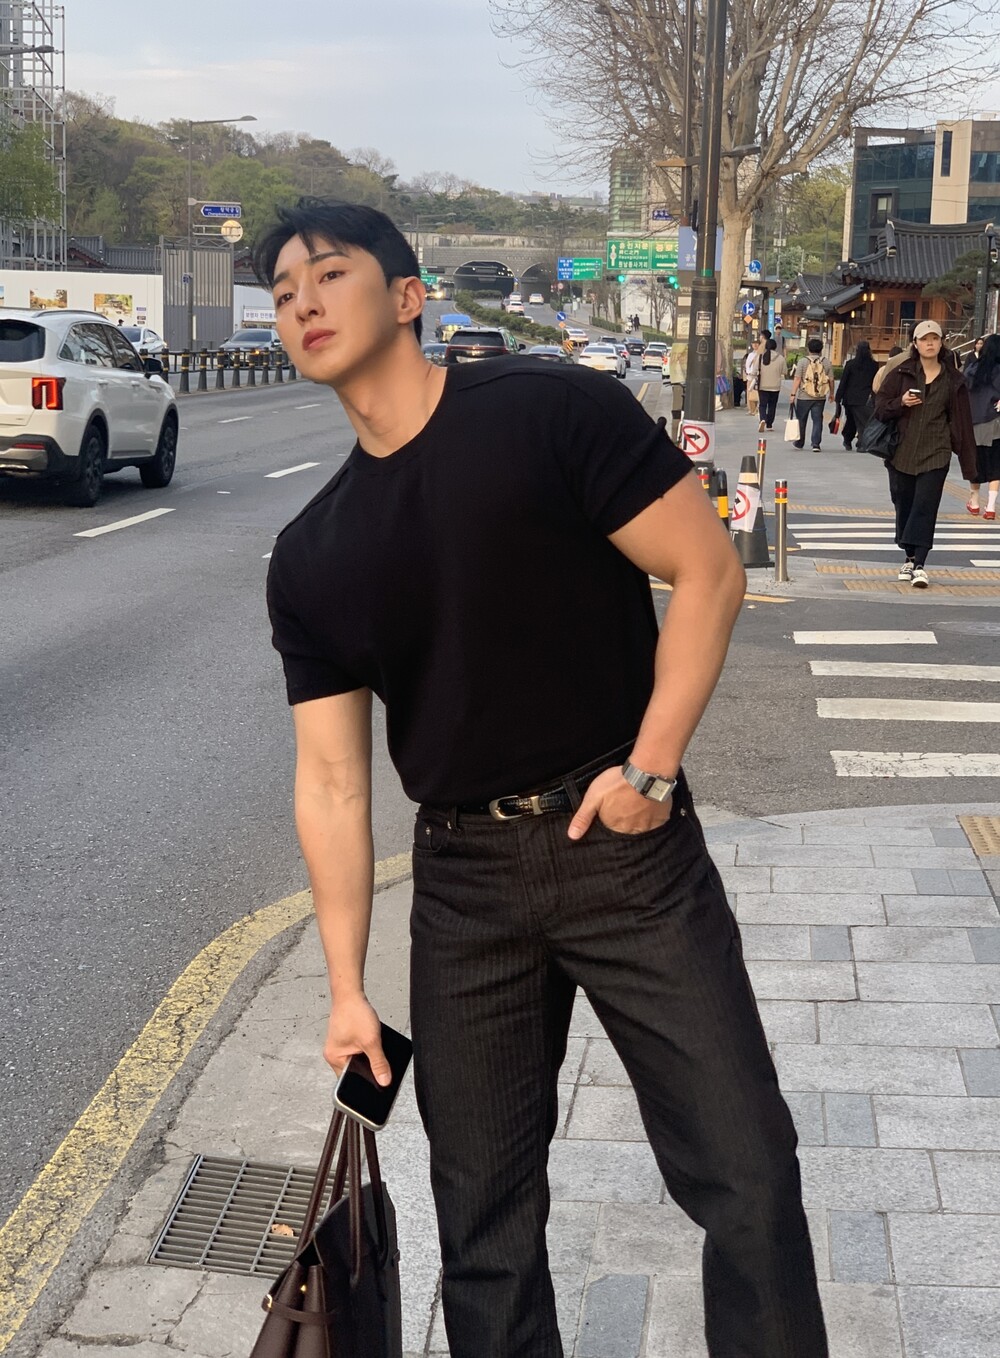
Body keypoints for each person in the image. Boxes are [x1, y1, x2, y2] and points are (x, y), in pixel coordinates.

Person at [256, 199, 828, 1358]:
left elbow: (707, 571)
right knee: (483, 1227)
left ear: (408, 296)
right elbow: (331, 782)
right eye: (281, 292)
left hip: (623, 850)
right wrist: (345, 987)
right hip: (464, 883)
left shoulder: (548, 410)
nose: (303, 302)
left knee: (747, 1172)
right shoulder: (312, 552)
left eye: (329, 274)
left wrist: (649, 771)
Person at [874, 319, 977, 588]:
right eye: (924, 339)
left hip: (936, 452)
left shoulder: (954, 380)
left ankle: (919, 564)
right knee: (904, 504)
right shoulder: (902, 374)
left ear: (941, 343)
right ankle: (909, 557)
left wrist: (970, 466)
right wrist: (901, 402)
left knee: (925, 506)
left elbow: (963, 421)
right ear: (915, 343)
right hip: (902, 452)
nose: (930, 343)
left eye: (934, 338)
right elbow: (880, 408)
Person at [963, 332, 1000, 520]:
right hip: (994, 423)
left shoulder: (971, 369)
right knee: (995, 465)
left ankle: (975, 502)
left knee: (975, 463)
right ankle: (991, 507)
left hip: (973, 423)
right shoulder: (999, 371)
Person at [789, 337, 835, 450]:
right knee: (817, 420)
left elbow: (797, 379)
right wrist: (831, 393)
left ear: (808, 349)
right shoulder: (826, 362)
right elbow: (831, 379)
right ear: (821, 349)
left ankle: (799, 442)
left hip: (803, 396)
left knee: (801, 419)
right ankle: (816, 444)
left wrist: (793, 394)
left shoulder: (803, 361)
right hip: (820, 397)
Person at [835, 340, 878, 449]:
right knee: (863, 422)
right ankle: (861, 443)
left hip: (850, 398)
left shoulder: (850, 364)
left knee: (851, 420)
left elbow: (844, 382)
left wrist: (838, 397)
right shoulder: (874, 365)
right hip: (865, 398)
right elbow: (875, 382)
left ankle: (848, 440)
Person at [756, 334, 783, 432]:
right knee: (772, 405)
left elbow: (755, 370)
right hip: (775, 386)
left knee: (762, 404)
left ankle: (763, 419)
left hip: (763, 385)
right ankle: (769, 424)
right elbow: (784, 371)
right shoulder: (781, 358)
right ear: (775, 347)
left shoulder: (761, 357)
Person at [744, 339, 761, 418]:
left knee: (756, 393)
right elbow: (747, 365)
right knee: (749, 393)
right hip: (750, 376)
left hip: (756, 376)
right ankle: (751, 409)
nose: (755, 345)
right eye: (754, 343)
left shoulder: (760, 354)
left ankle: (756, 409)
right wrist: (748, 373)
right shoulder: (750, 354)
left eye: (757, 343)